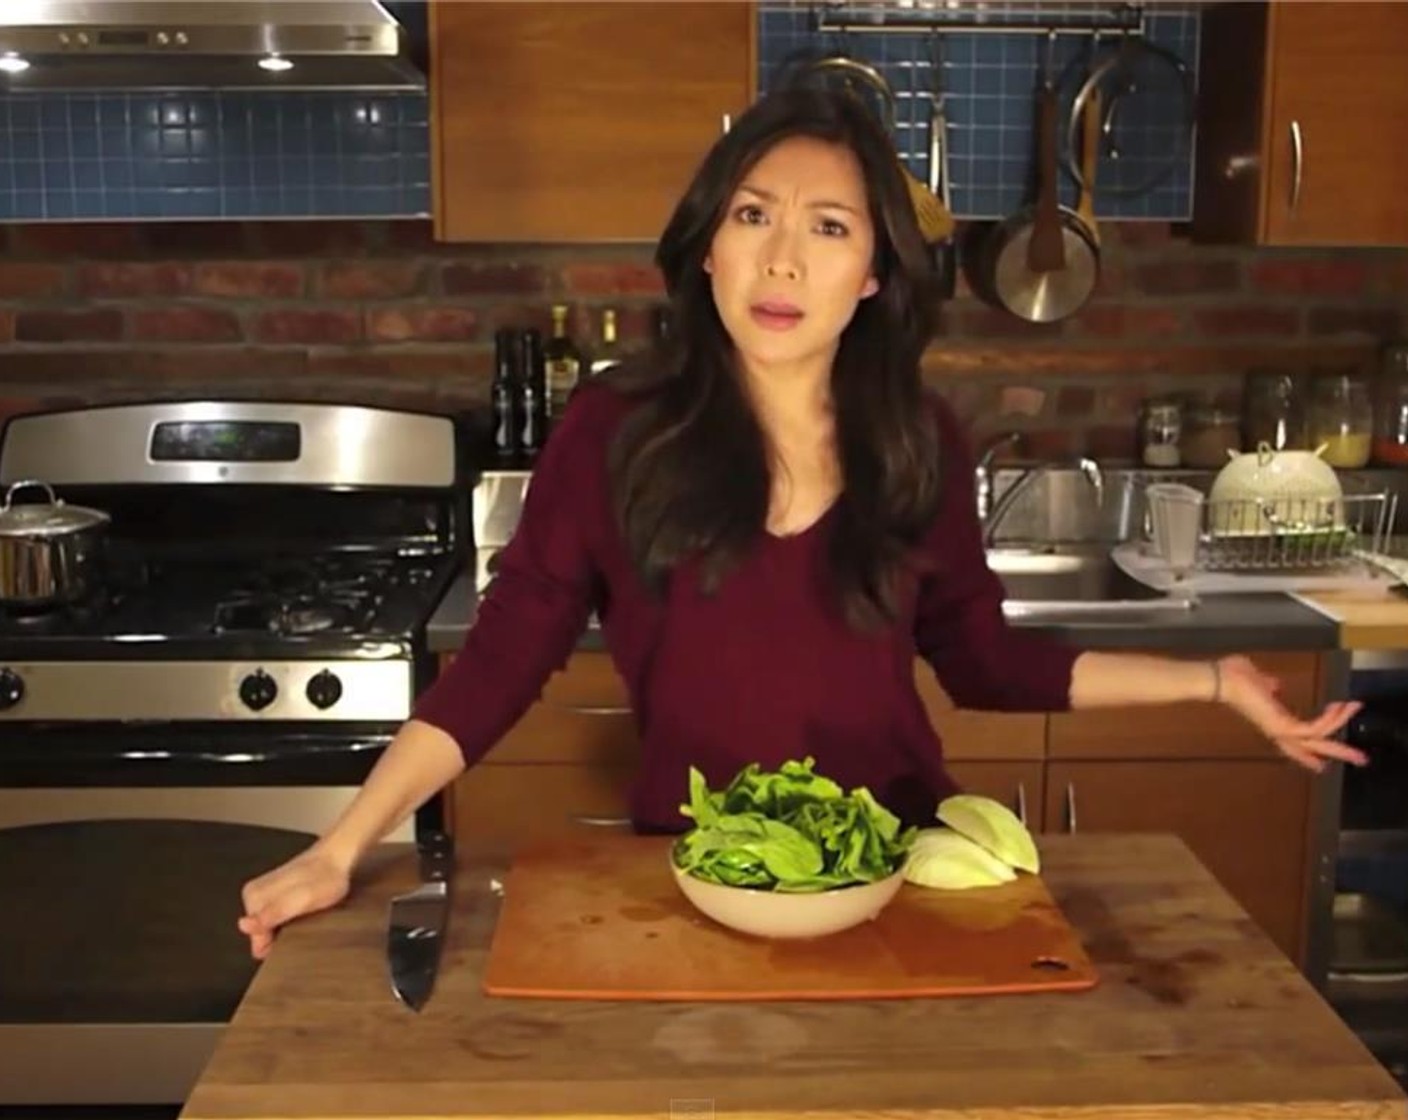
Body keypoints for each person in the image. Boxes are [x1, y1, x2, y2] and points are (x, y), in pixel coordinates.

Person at [238, 87, 1364, 961]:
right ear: (709, 248)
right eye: (752, 215)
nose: (783, 258)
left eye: (828, 227)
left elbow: (985, 660)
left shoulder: (918, 437)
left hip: (896, 873)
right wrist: (346, 845)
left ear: (873, 271)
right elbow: (499, 657)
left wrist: (1214, 681)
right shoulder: (612, 430)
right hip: (696, 874)